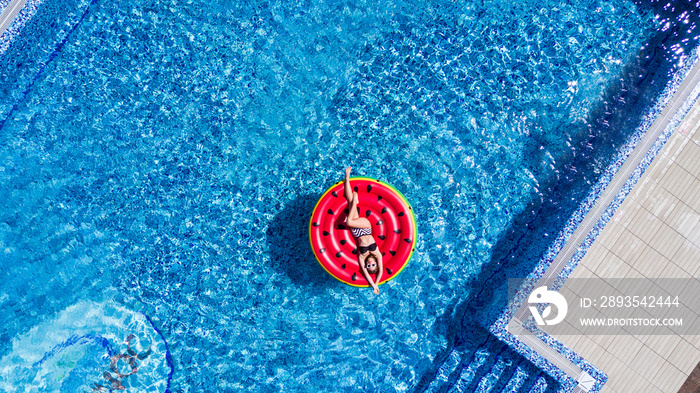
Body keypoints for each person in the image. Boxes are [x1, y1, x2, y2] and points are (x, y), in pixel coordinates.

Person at [344, 167, 383, 294]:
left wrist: (372, 285)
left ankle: (347, 179)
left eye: (369, 266)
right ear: (376, 263)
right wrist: (376, 284)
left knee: (350, 203)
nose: (371, 264)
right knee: (348, 221)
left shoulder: (361, 257)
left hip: (356, 232)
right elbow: (381, 271)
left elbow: (366, 273)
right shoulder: (377, 254)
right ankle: (355, 201)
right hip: (366, 228)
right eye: (374, 265)